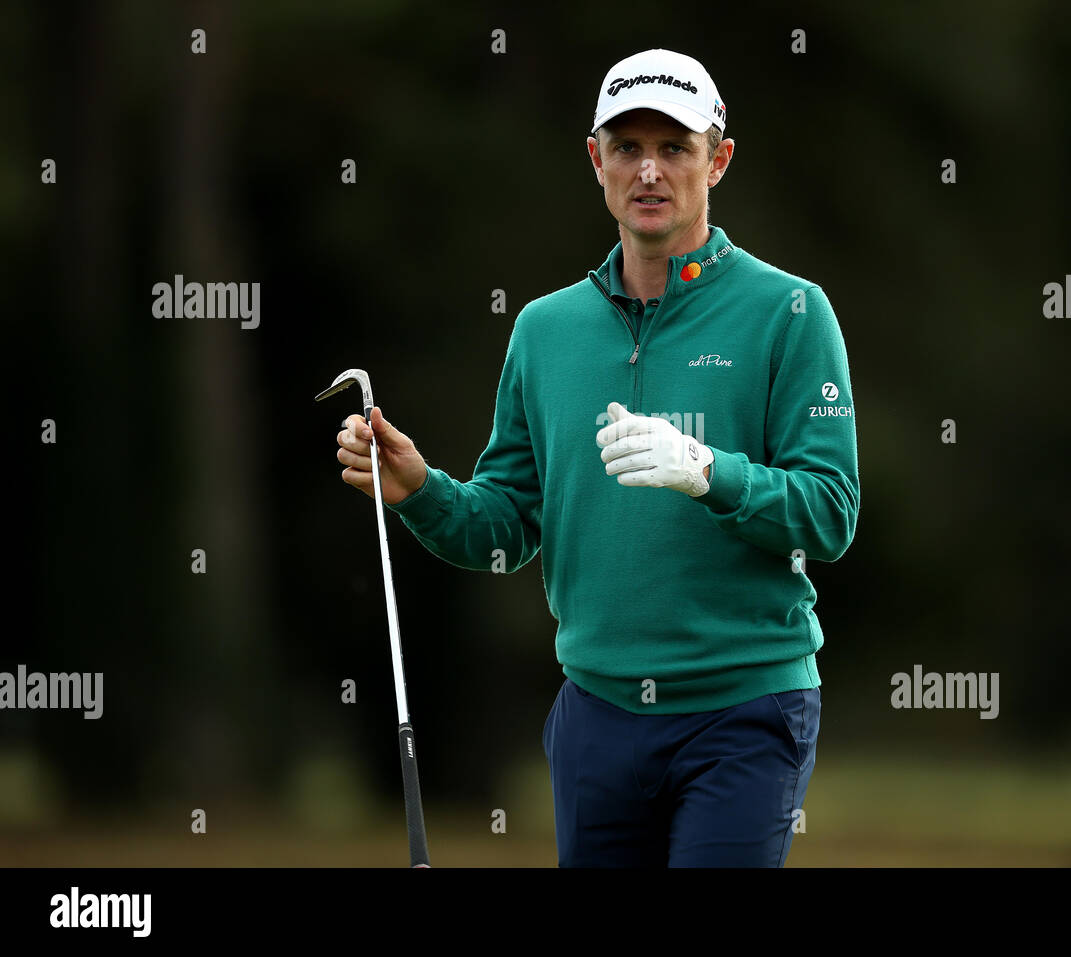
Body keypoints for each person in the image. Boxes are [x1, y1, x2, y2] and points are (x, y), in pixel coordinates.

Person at [332, 49, 859, 866]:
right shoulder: (546, 330)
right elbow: (506, 526)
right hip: (597, 716)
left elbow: (829, 514)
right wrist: (420, 491)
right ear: (597, 161)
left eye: (675, 147)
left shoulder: (789, 313)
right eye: (627, 147)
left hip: (746, 710)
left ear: (716, 159)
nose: (650, 170)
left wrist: (707, 470)